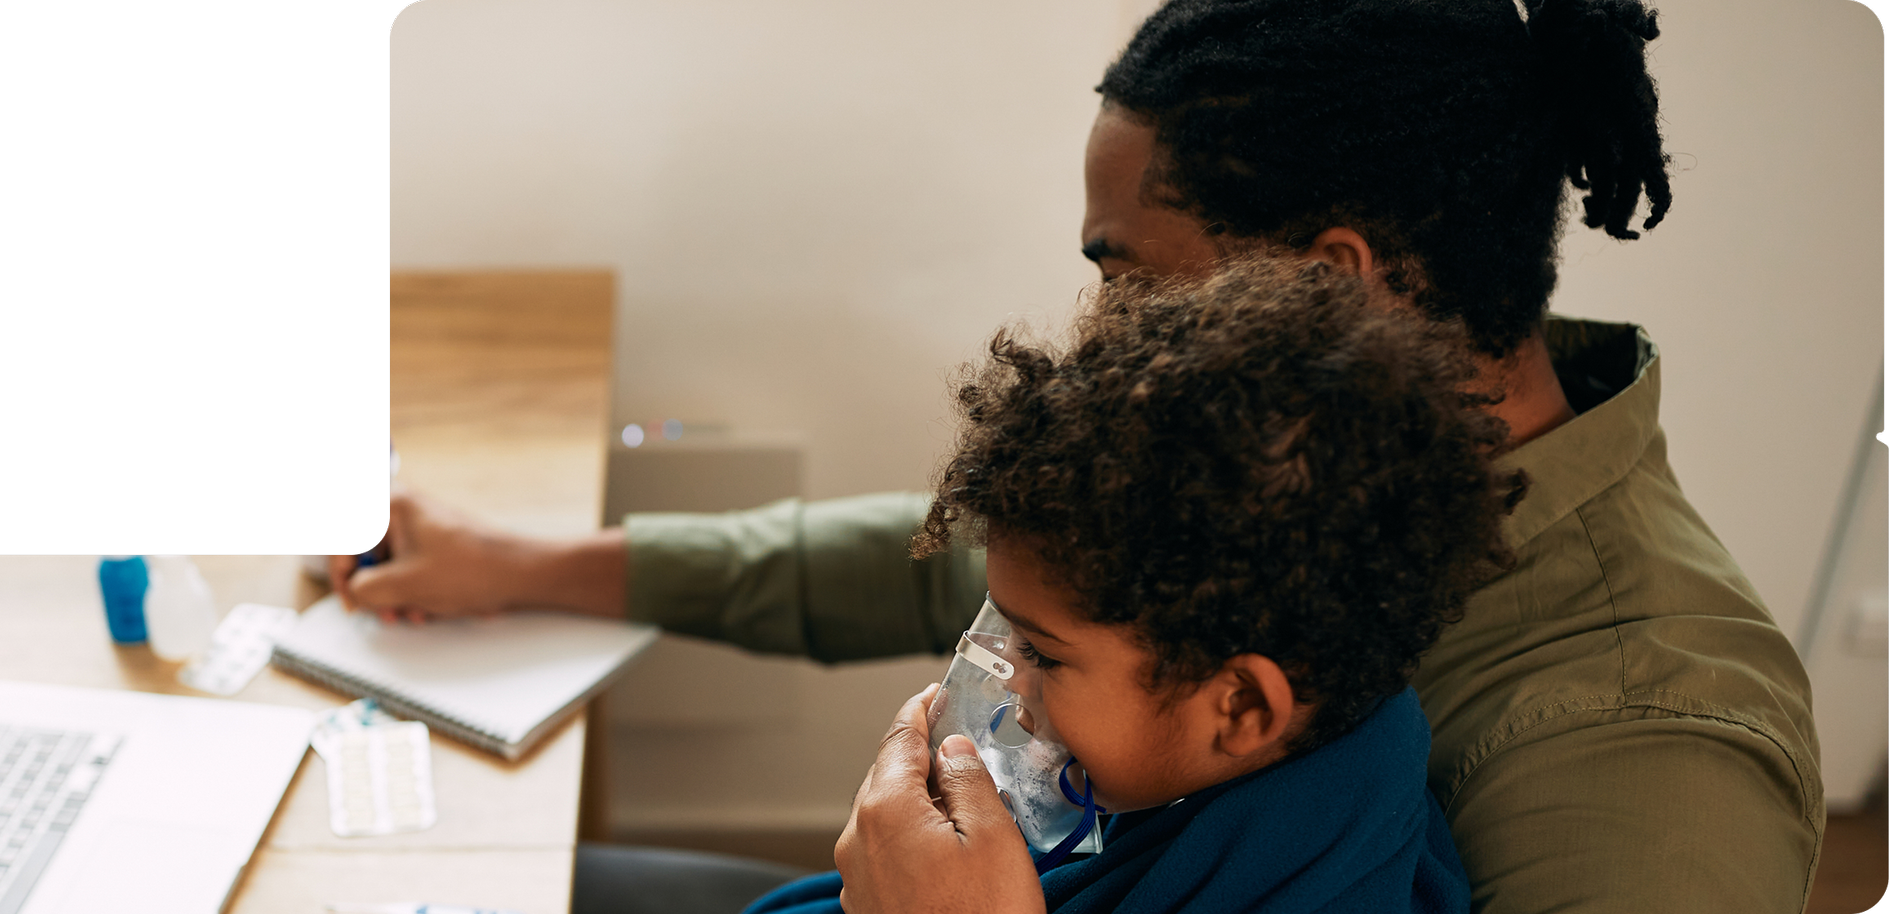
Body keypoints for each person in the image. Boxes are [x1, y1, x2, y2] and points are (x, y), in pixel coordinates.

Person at [341, 0, 1822, 911]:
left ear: (1331, 282)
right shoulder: (1273, 458)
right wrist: (530, 563)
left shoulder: (1649, 759)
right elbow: (960, 574)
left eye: (1130, 277)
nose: (1102, 325)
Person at [754, 255, 1519, 913]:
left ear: (1242, 706)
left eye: (1043, 654)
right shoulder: (1246, 764)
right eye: (1008, 630)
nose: (1005, 677)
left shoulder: (1340, 884)